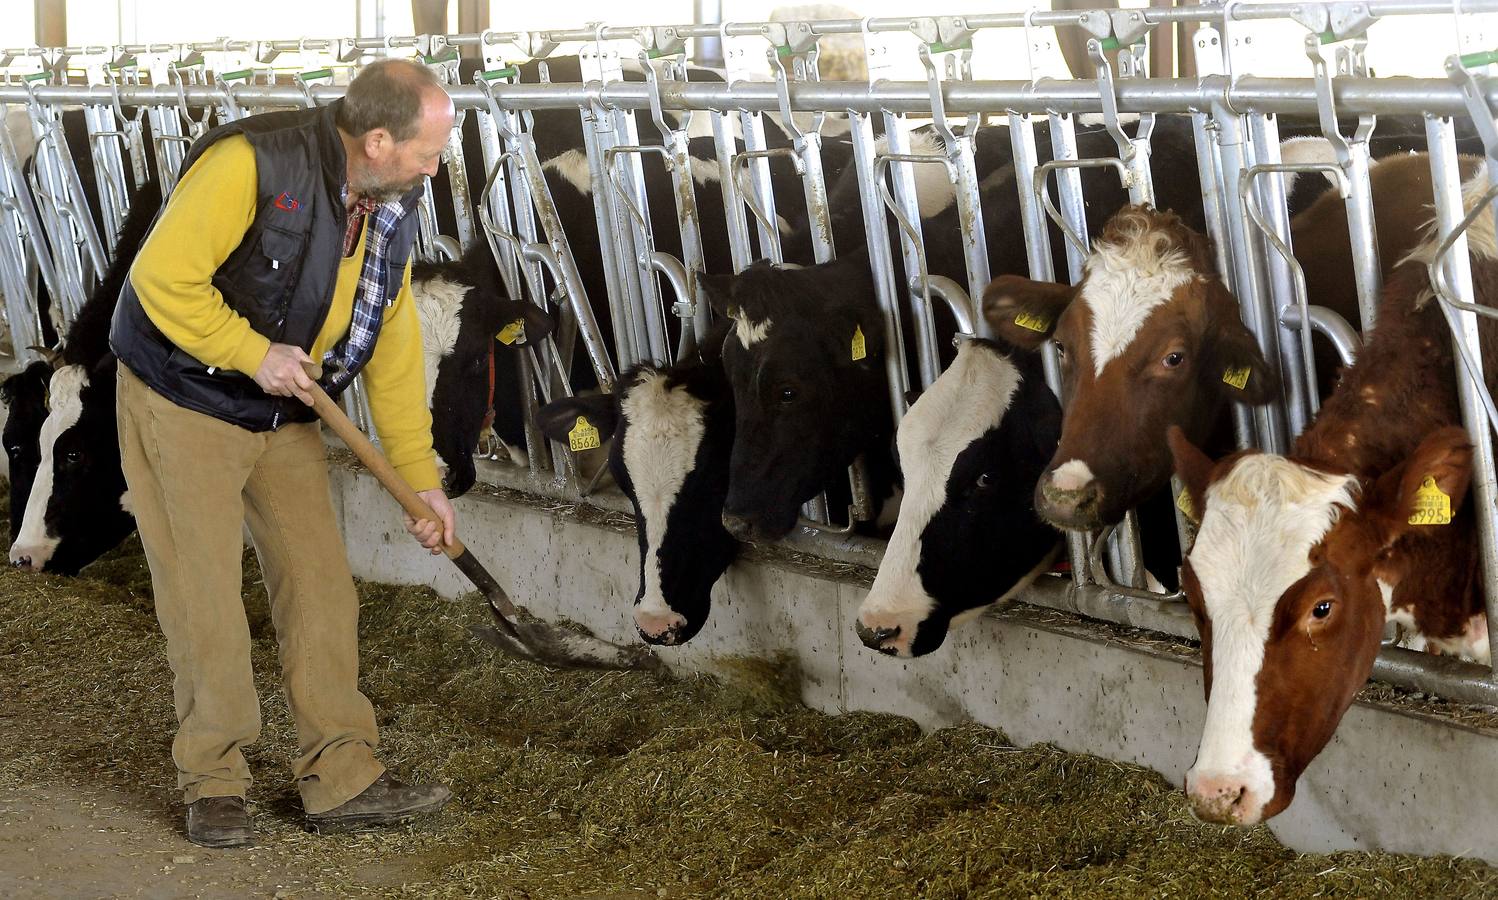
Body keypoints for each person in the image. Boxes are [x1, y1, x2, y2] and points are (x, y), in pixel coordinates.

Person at [110, 58, 459, 849]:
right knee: (205, 597)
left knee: (321, 587)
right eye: (428, 150)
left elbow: (393, 346)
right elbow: (161, 279)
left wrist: (420, 482)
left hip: (283, 404)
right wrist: (250, 350)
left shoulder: (390, 201)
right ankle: (214, 779)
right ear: (377, 138)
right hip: (182, 397)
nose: (436, 166)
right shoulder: (252, 162)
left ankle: (341, 777)